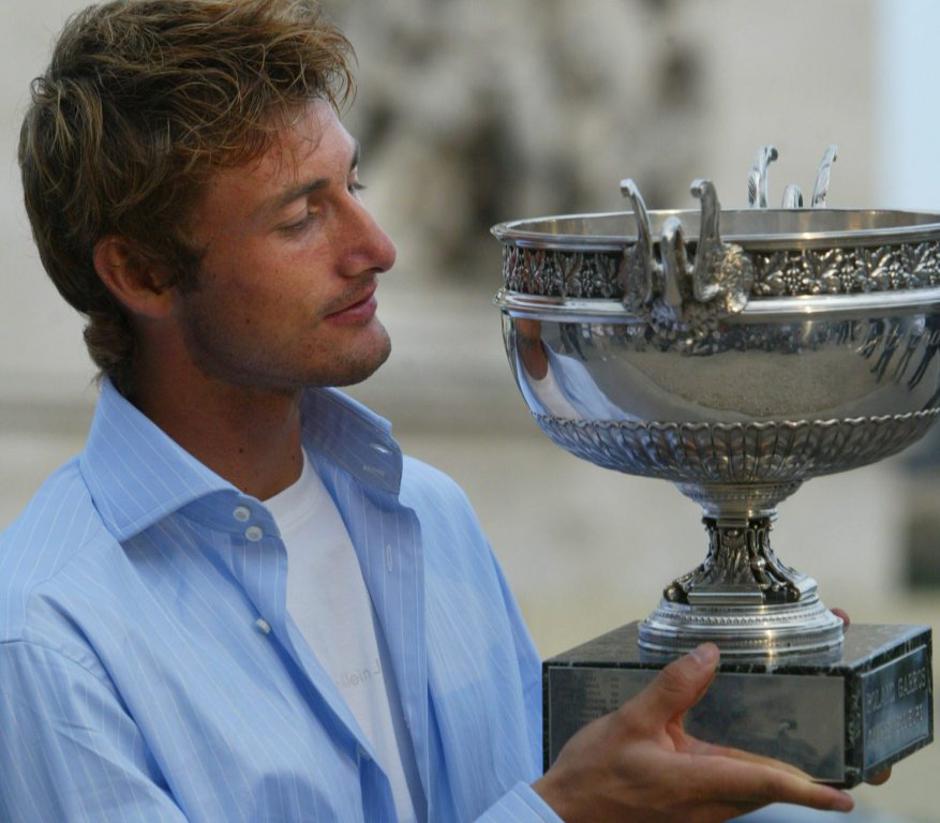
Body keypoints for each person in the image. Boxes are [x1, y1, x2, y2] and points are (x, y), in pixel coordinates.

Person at [1, 1, 861, 820]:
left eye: (353, 185)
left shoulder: (427, 513)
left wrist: (730, 723)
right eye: (302, 218)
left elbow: (554, 792)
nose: (377, 247)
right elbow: (553, 808)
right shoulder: (46, 634)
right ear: (142, 274)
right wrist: (563, 812)